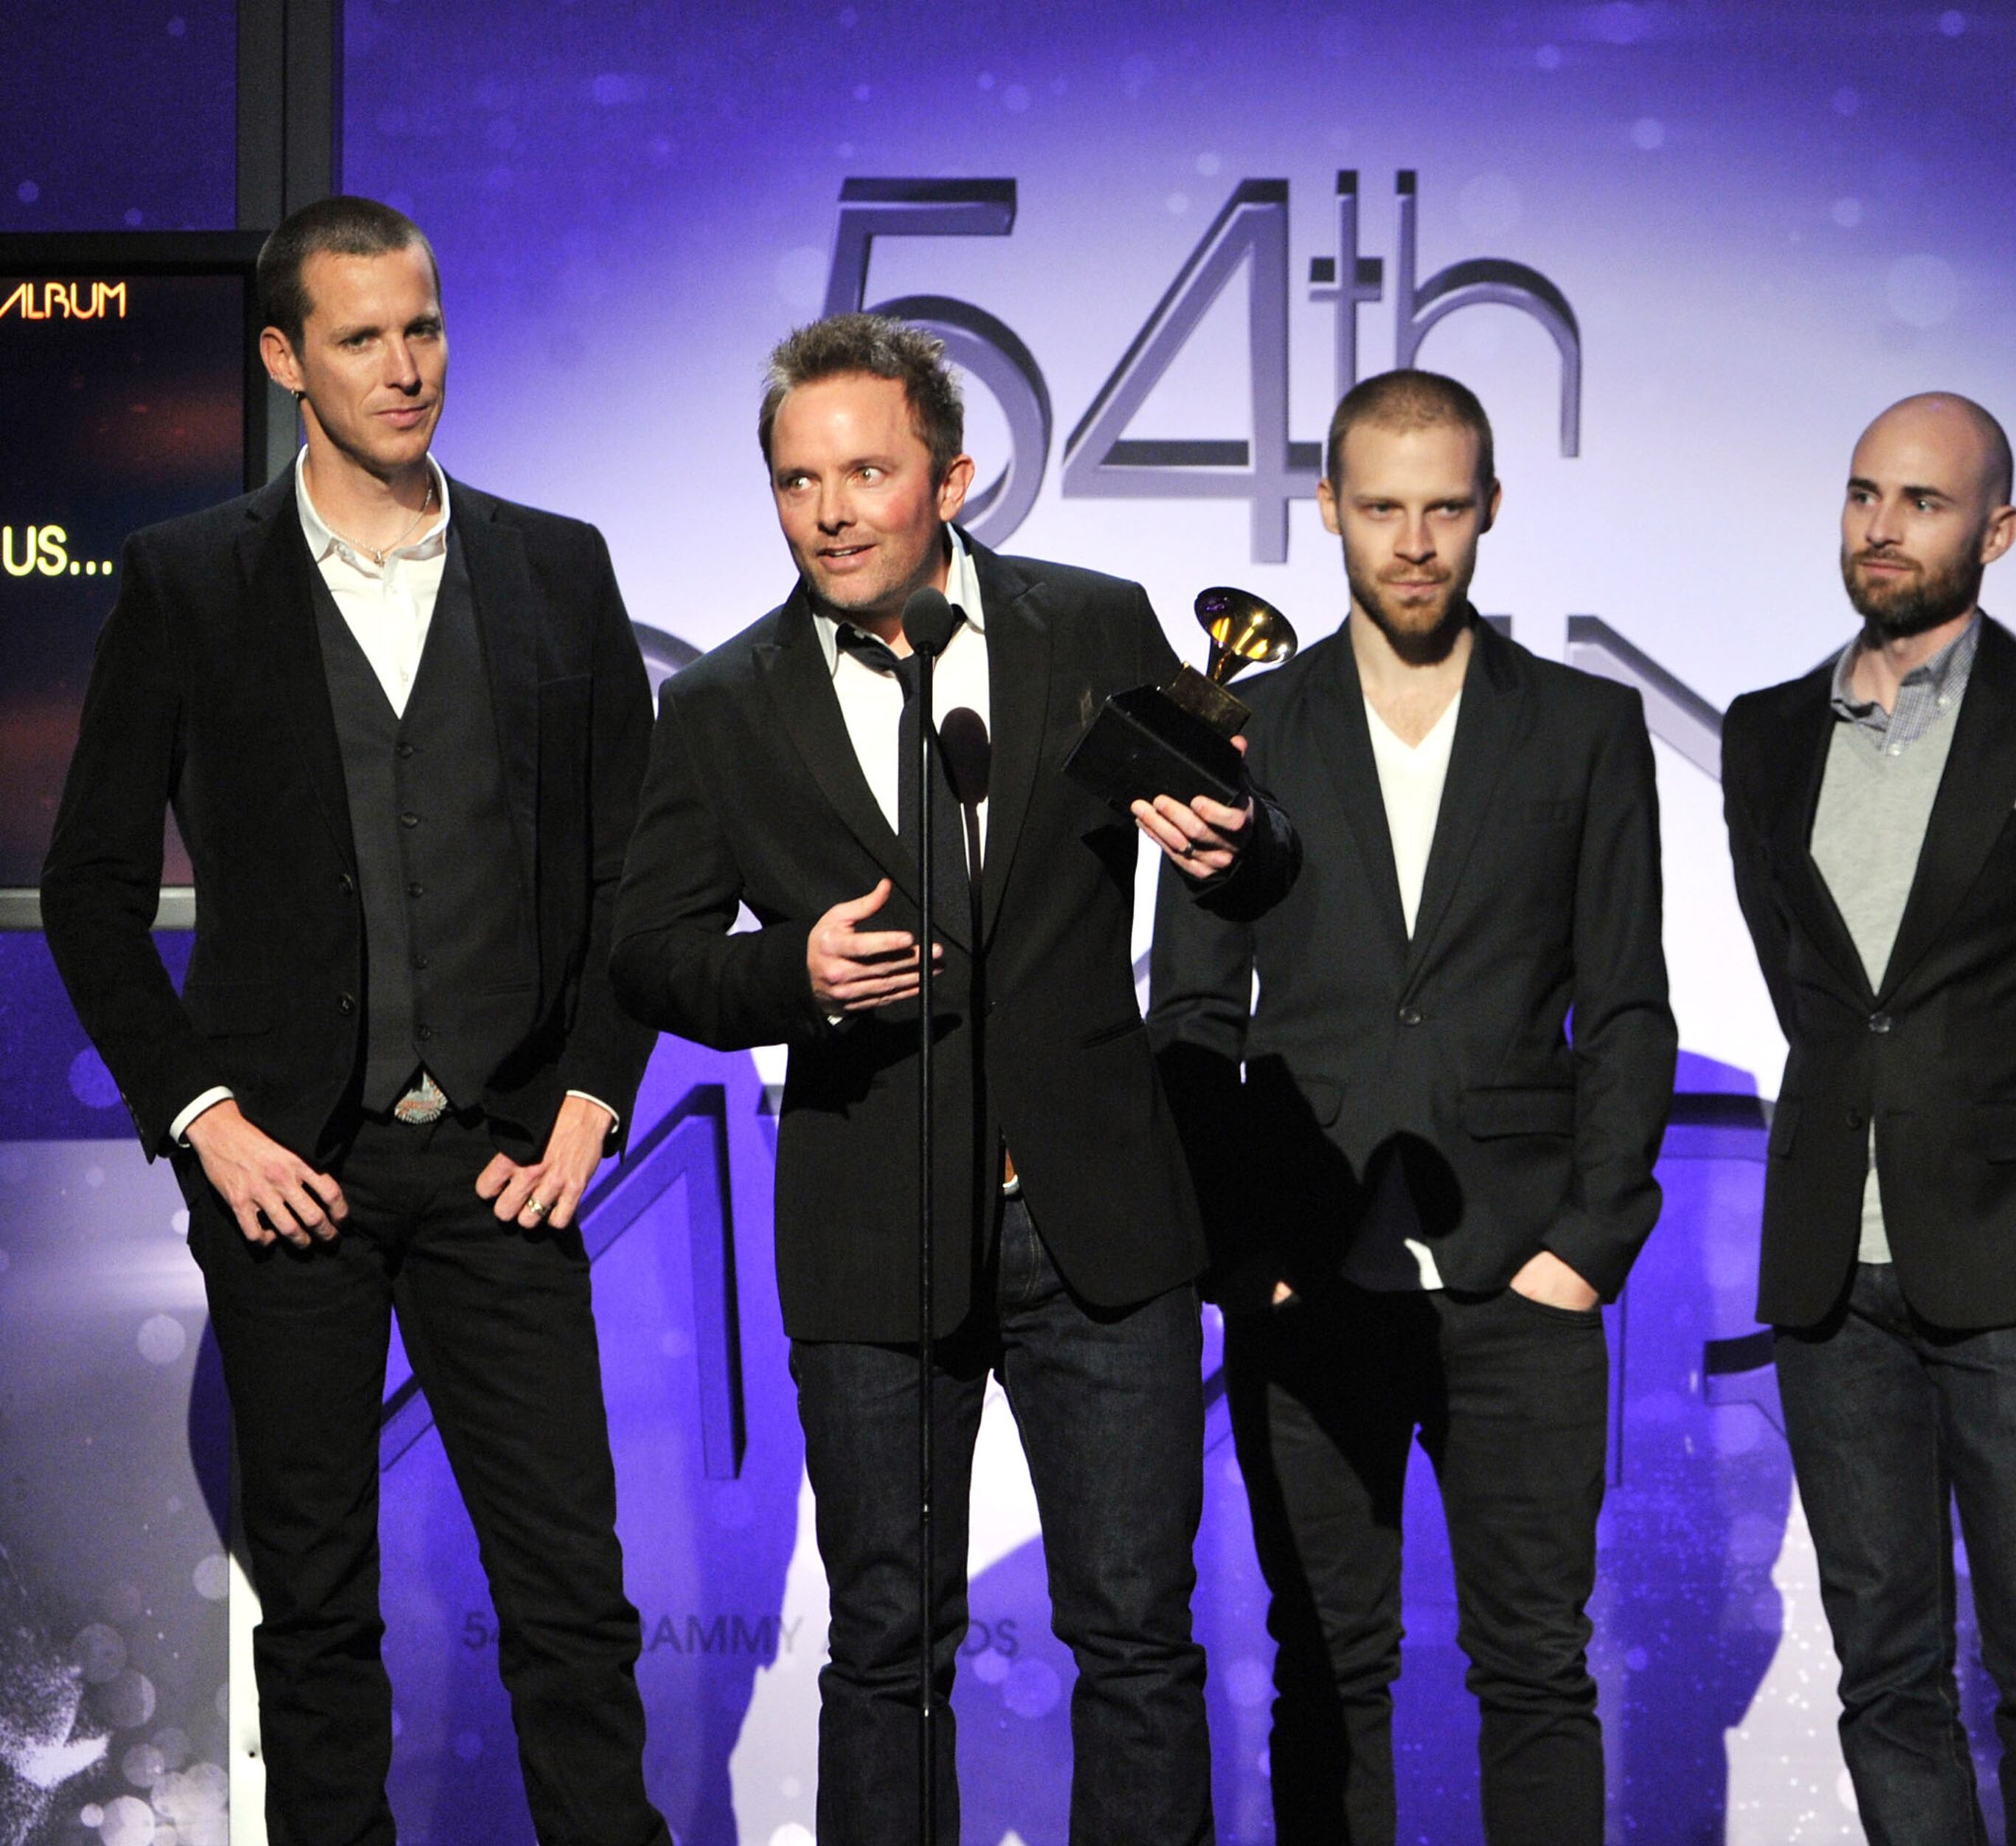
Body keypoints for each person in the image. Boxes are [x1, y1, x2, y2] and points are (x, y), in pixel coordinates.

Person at [606, 312, 1295, 1845]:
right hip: (872, 1219)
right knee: (884, 1648)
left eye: (867, 472)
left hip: (1095, 1216)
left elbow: (1253, 853)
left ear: (955, 481)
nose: (830, 511)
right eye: (798, 481)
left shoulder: (1092, 627)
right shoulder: (723, 703)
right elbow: (650, 956)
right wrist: (792, 973)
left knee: (1137, 1638)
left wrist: (1239, 842)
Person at [40, 196, 667, 1846]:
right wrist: (206, 1121)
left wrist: (593, 1095)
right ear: (283, 358)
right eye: (362, 336)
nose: (406, 367)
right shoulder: (190, 581)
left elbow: (635, 873)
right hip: (287, 1174)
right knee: (316, 1613)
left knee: (572, 1598)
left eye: (425, 327)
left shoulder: (556, 567)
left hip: (506, 1163)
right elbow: (91, 890)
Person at [1149, 368, 1674, 1844]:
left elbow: (1627, 1005)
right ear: (1328, 508)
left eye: (1445, 507)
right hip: (1308, 1270)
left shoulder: (1584, 726)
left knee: (1537, 1671)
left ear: (1491, 506)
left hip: (1525, 1275)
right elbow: (1190, 1015)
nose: (1416, 542)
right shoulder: (1244, 727)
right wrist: (1240, 1253)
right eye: (1383, 507)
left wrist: (1589, 1246)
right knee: (1327, 1671)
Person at [1719, 393, 2016, 1844]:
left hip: (2012, 1264)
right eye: (1866, 493)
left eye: (1923, 501)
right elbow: (1812, 992)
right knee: (1886, 1675)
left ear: (2000, 531)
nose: (1883, 526)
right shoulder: (1766, 731)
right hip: (1827, 1266)